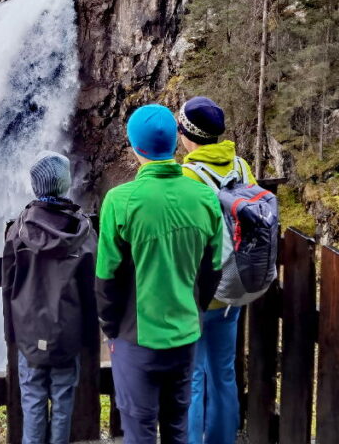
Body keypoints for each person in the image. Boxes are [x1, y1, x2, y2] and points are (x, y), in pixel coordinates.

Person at [96, 104, 224, 444]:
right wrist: (194, 310)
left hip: (135, 338)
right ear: (173, 141)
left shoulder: (120, 201)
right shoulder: (203, 197)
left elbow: (106, 278)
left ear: (136, 147)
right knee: (177, 426)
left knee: (138, 429)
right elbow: (213, 268)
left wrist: (112, 329)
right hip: (185, 333)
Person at [2, 151, 98, 444]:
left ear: (35, 186)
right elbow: (91, 287)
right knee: (64, 397)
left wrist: (11, 333)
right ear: (66, 183)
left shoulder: (18, 230)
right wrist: (91, 338)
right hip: (67, 331)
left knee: (31, 397)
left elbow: (8, 286)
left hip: (30, 331)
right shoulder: (83, 231)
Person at [177, 96, 255, 444]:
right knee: (223, 373)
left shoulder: (187, 176)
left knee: (192, 377)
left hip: (197, 291)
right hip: (235, 288)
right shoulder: (242, 167)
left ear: (186, 135)